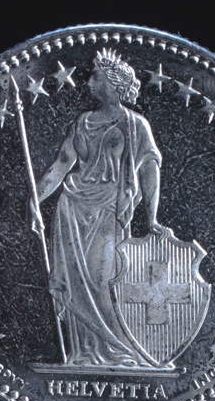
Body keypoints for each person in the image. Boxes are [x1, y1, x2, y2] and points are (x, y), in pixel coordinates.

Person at [33, 49, 170, 367]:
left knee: (105, 280)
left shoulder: (135, 124)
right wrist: (34, 198)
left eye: (95, 77)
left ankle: (120, 351)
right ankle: (86, 355)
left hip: (109, 211)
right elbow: (61, 166)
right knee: (76, 285)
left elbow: (150, 169)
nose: (89, 83)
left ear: (113, 83)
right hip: (72, 210)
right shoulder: (83, 122)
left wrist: (151, 217)